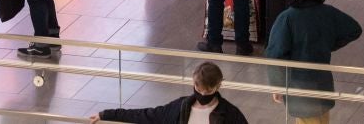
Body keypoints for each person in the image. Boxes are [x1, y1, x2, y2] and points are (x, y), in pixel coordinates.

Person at [265, 0, 363, 124]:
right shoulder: (328, 13)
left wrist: (277, 86)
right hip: (322, 81)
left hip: (299, 84)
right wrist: (330, 45)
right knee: (322, 120)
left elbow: (275, 55)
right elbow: (354, 29)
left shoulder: (288, 18)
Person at [92, 61, 248, 123]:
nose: (202, 95)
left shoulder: (231, 115)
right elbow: (146, 115)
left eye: (207, 91)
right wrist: (106, 114)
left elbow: (148, 115)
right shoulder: (180, 107)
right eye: (199, 89)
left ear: (217, 86)